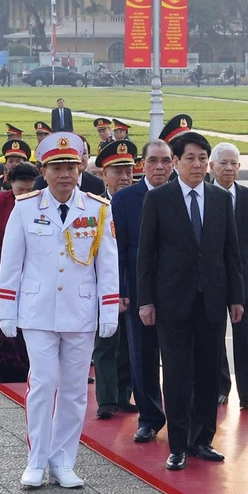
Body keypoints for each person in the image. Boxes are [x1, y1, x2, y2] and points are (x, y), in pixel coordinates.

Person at [0, 132, 119, 488]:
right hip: (38, 310)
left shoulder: (97, 208)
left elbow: (108, 264)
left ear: (81, 168)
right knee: (43, 383)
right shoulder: (25, 207)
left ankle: (64, 460)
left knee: (74, 390)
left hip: (79, 311)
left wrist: (108, 311)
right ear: (44, 170)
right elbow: (11, 262)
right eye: (57, 167)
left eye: (71, 166)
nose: (65, 174)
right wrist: (7, 310)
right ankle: (36, 460)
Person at [136, 131, 243, 471]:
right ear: (177, 163)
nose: (196, 165)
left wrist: (236, 298)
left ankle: (203, 440)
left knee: (209, 373)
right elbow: (146, 255)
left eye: (202, 159)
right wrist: (146, 301)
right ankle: (178, 444)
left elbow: (231, 253)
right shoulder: (159, 199)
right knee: (178, 374)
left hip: (212, 300)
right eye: (189, 159)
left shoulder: (220, 199)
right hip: (172, 302)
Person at [112, 139, 171, 444]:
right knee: (143, 357)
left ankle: (181, 417)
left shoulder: (181, 195)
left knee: (179, 360)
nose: (159, 167)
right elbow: (119, 250)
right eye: (153, 161)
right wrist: (121, 290)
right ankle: (149, 418)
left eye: (165, 161)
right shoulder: (125, 200)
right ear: (142, 165)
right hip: (139, 291)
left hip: (177, 291)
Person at [210, 142, 248, 409]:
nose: (229, 168)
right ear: (211, 167)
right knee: (213, 337)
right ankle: (218, 387)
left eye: (234, 163)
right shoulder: (203, 196)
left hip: (244, 279)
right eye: (223, 163)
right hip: (212, 280)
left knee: (244, 334)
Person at [0, 162, 38, 382]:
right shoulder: (0, 201)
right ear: (10, 184)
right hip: (2, 270)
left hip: (33, 269)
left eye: (29, 190)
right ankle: (6, 369)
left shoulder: (41, 202)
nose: (25, 194)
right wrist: (2, 254)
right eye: (20, 190)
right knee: (3, 318)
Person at [90, 140, 138, 419]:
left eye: (129, 170)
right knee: (106, 343)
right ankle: (106, 400)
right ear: (103, 174)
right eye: (117, 171)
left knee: (130, 344)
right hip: (101, 286)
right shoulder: (93, 206)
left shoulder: (139, 202)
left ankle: (124, 394)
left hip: (132, 284)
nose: (125, 177)